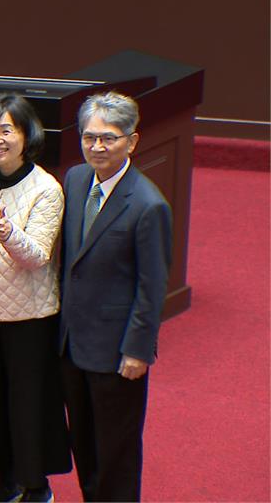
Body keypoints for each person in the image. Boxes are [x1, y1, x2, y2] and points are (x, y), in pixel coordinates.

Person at [59, 92, 172, 502]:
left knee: (117, 452)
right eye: (89, 137)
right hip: (72, 344)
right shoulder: (74, 179)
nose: (97, 147)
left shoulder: (147, 205)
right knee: (84, 444)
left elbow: (152, 286)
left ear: (132, 141)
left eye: (109, 138)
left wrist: (138, 351)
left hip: (117, 352)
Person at [0, 94, 71, 502]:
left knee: (28, 404)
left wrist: (10, 237)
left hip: (29, 317)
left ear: (27, 134)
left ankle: (37, 486)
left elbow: (38, 256)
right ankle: (6, 482)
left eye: (6, 130)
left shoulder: (46, 188)